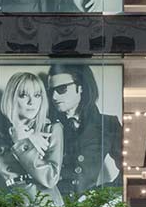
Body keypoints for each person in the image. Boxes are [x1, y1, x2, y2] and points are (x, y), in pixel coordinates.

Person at [0, 76, 61, 207]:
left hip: (45, 205)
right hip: (11, 205)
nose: (32, 102)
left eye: (37, 95)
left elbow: (50, 178)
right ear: (11, 98)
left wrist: (22, 142)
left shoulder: (52, 129)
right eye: (24, 95)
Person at [48, 63, 123, 198]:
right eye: (51, 91)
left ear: (81, 87)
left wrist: (98, 195)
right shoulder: (47, 125)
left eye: (62, 89)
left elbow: (131, 171)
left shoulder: (107, 125)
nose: (54, 97)